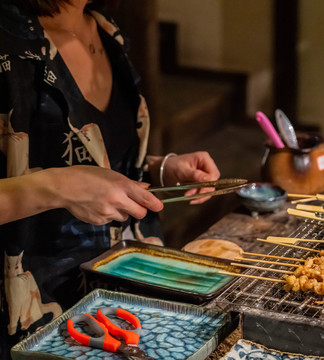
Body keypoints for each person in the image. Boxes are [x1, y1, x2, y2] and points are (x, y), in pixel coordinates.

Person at [0, 0, 220, 356]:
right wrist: (60, 187)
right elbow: (65, 176)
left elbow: (89, 156)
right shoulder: (8, 40)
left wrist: (159, 169)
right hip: (38, 310)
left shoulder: (105, 29)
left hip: (130, 284)